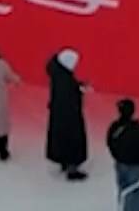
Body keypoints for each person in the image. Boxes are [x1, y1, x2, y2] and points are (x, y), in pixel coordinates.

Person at [106, 99, 139, 211]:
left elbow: (110, 143)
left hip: (120, 164)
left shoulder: (115, 128)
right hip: (137, 166)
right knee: (136, 189)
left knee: (123, 188)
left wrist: (118, 157)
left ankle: (124, 207)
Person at [46, 48, 89, 180]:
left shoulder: (58, 74)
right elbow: (69, 97)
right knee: (72, 139)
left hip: (58, 113)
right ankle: (72, 167)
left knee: (60, 138)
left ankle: (64, 161)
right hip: (69, 115)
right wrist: (79, 90)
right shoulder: (65, 79)